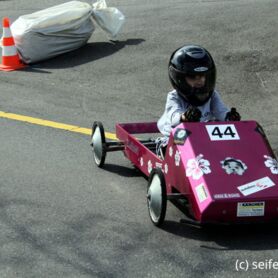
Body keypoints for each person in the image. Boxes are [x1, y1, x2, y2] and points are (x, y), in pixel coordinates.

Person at [156, 44, 241, 156]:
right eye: (193, 77)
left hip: (202, 133)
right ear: (179, 78)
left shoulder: (212, 94)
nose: (199, 80)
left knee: (225, 132)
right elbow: (173, 117)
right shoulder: (174, 97)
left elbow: (220, 111)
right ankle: (167, 153)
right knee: (180, 136)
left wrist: (229, 117)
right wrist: (184, 117)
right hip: (175, 134)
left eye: (202, 76)